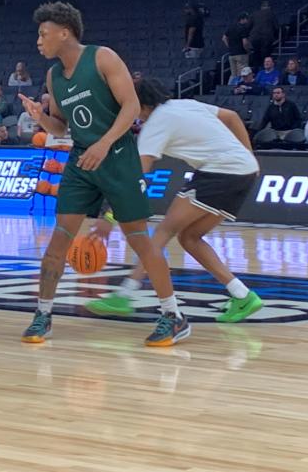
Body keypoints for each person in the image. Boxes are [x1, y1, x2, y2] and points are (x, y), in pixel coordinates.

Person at [16, 2, 178, 346]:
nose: (38, 41)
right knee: (59, 238)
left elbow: (132, 106)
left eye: (43, 34)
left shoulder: (103, 57)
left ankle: (173, 315)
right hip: (81, 161)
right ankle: (42, 315)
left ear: (64, 32)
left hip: (117, 157)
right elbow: (60, 128)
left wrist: (104, 143)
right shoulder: (53, 76)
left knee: (139, 240)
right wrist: (40, 117)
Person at [88, 78, 263, 329]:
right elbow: (233, 116)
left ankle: (124, 295)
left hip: (219, 173)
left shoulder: (154, 126)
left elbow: (138, 177)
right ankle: (243, 295)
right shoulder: (185, 104)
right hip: (243, 171)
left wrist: (109, 217)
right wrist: (249, 156)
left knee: (163, 231)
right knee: (190, 237)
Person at [222, 13, 251, 83]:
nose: (247, 21)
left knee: (233, 75)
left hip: (232, 54)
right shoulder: (243, 28)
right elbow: (245, 42)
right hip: (241, 54)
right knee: (242, 74)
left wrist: (229, 47)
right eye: (246, 19)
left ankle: (230, 89)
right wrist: (248, 50)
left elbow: (224, 38)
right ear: (243, 19)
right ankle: (239, 89)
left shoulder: (231, 27)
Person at [248, 0, 279, 66]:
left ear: (261, 7)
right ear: (269, 7)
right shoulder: (271, 13)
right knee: (266, 54)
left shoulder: (254, 14)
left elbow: (248, 26)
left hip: (254, 38)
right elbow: (276, 26)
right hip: (267, 37)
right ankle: (265, 68)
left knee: (256, 53)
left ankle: (257, 69)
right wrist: (277, 37)